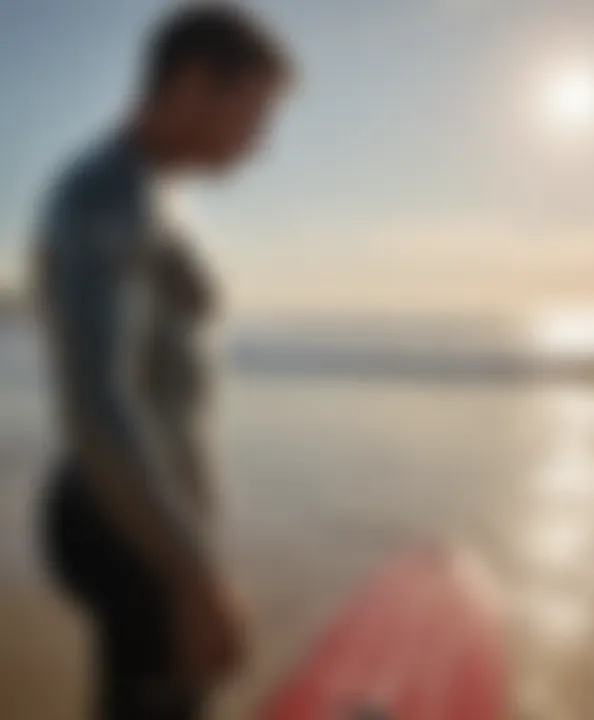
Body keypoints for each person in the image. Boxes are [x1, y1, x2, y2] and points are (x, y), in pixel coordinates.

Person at [33, 4, 292, 719]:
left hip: (140, 509)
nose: (259, 142)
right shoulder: (106, 195)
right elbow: (98, 405)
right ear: (193, 83)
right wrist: (196, 577)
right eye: (253, 113)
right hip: (120, 514)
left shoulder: (149, 192)